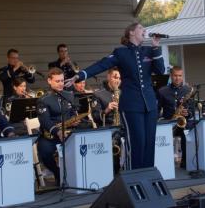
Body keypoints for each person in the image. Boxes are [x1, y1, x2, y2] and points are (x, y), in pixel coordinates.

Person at [66, 22, 165, 170]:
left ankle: (148, 176)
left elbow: (161, 70)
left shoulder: (150, 51)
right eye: (141, 28)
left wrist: (156, 47)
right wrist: (80, 75)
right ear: (131, 32)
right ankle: (135, 179)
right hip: (132, 105)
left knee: (149, 143)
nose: (145, 31)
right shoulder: (121, 53)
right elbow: (101, 65)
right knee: (137, 142)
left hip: (150, 104)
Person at [36, 68, 78, 184]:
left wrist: (74, 120)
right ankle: (57, 172)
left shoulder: (69, 95)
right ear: (49, 81)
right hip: (51, 135)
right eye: (57, 81)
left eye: (62, 81)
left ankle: (75, 173)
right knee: (44, 151)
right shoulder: (43, 100)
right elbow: (45, 121)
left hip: (69, 132)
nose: (60, 84)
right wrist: (58, 132)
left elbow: (73, 112)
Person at [158, 66, 195, 169]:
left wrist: (188, 113)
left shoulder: (188, 90)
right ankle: (165, 163)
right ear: (171, 76)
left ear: (182, 76)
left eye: (180, 76)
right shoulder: (162, 91)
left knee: (186, 134)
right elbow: (157, 109)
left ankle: (185, 162)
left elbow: (192, 110)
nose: (177, 78)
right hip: (168, 123)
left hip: (182, 124)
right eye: (175, 75)